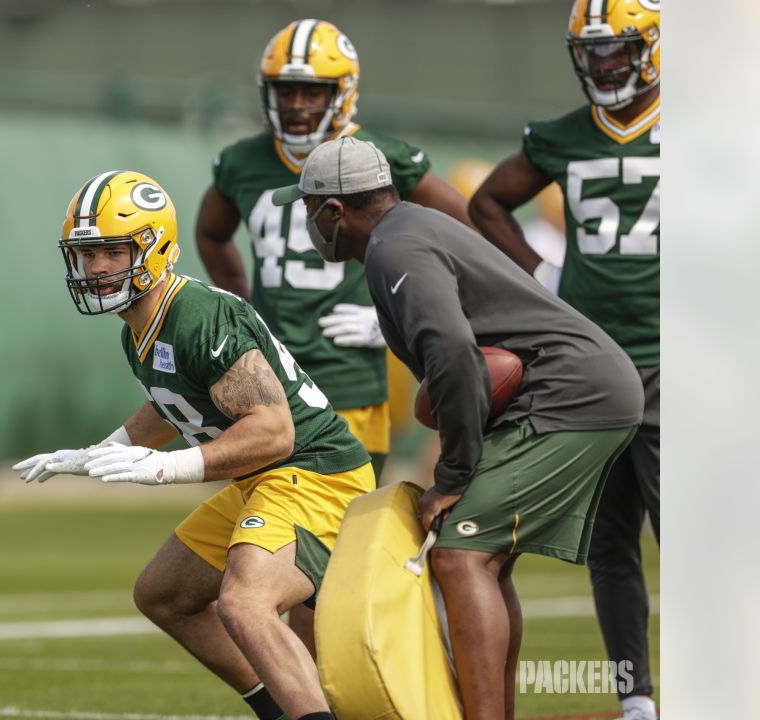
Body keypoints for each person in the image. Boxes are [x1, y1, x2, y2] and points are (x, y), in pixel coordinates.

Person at [274, 136, 644, 720]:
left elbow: (453, 353)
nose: (309, 223)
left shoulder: (394, 248)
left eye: (308, 208)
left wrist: (453, 474)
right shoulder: (408, 229)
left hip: (569, 395)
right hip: (573, 388)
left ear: (334, 211)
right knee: (485, 558)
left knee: (461, 554)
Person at [15, 170, 374, 720]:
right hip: (267, 477)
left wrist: (163, 469)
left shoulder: (199, 314)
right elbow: (171, 402)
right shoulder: (139, 323)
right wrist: (96, 453)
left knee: (245, 603)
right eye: (87, 255)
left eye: (112, 251)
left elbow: (275, 429)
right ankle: (279, 709)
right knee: (163, 593)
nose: (97, 268)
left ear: (154, 246)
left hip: (314, 472)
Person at [468, 2, 660, 717]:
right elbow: (488, 202)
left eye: (618, 50)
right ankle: (634, 698)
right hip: (596, 364)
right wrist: (541, 275)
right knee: (611, 537)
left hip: (680, 361)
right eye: (593, 51)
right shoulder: (561, 136)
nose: (604, 64)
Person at [196, 18, 472, 487]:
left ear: (342, 92)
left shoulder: (379, 154)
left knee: (339, 531)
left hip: (348, 373)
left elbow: (464, 232)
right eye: (286, 92)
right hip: (270, 373)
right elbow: (211, 232)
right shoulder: (243, 162)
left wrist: (402, 312)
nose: (297, 106)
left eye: (312, 92)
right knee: (269, 524)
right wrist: (243, 303)